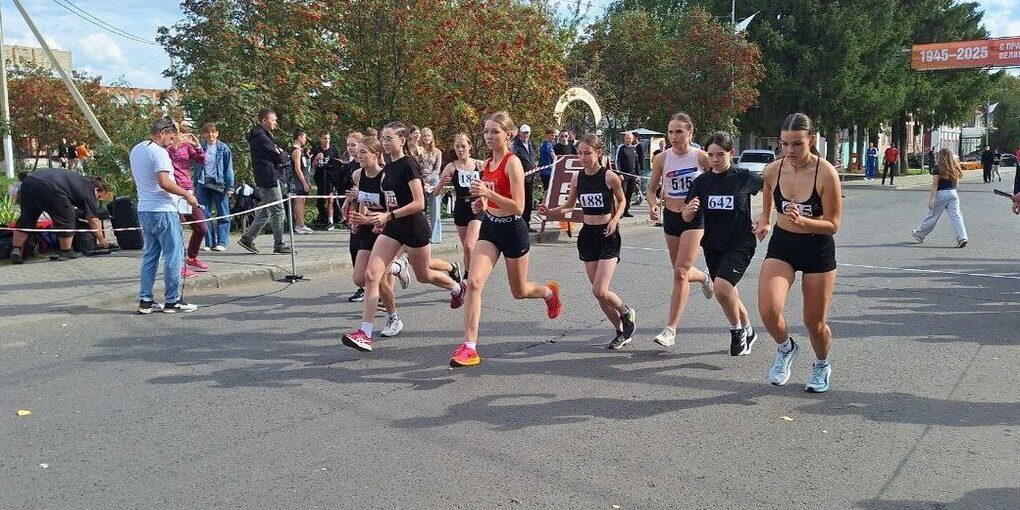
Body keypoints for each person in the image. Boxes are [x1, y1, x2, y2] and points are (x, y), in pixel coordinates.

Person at [448, 112, 562, 368]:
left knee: (519, 291)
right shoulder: (487, 164)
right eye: (486, 131)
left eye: (494, 132)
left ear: (508, 135)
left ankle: (548, 293)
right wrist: (482, 202)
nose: (488, 136)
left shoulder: (513, 163)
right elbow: (491, 200)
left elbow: (519, 207)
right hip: (490, 228)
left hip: (513, 230)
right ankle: (470, 347)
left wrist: (488, 193)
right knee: (474, 282)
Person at [341, 121, 462, 353]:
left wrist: (388, 215)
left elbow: (419, 203)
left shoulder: (408, 165)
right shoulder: (387, 167)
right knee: (371, 275)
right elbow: (388, 198)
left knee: (424, 274)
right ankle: (365, 333)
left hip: (415, 228)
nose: (385, 143)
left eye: (389, 139)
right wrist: (373, 219)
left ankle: (457, 288)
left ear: (402, 140)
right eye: (383, 139)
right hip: (393, 228)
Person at [754, 112, 842, 393]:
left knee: (814, 323)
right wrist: (765, 220)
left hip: (817, 248)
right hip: (783, 245)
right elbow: (768, 193)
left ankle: (821, 364)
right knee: (768, 309)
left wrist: (804, 222)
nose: (790, 151)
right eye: (785, 144)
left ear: (811, 140)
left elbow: (833, 225)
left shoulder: (825, 172)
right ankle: (786, 348)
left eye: (797, 144)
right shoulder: (773, 170)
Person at [540, 135, 633, 349]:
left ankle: (626, 312)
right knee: (599, 293)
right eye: (580, 153)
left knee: (600, 290)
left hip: (607, 234)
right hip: (587, 235)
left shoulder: (609, 177)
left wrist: (616, 219)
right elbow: (569, 206)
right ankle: (620, 331)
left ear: (598, 153)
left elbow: (622, 201)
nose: (583, 157)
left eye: (587, 153)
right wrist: (550, 212)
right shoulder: (577, 178)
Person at [683, 131, 762, 356]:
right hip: (713, 244)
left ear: (731, 153)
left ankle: (736, 331)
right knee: (727, 291)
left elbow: (774, 190)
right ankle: (749, 330)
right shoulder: (702, 182)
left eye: (720, 154)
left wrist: (766, 218)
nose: (715, 159)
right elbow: (688, 216)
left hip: (741, 243)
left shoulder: (744, 177)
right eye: (711, 155)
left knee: (722, 288)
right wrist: (687, 213)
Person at [645, 112, 714, 348]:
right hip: (671, 217)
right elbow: (651, 190)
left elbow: (717, 184)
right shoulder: (662, 159)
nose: (674, 136)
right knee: (680, 270)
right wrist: (654, 206)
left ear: (690, 133)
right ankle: (704, 276)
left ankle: (670, 329)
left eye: (679, 132)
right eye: (671, 131)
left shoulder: (702, 158)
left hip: (695, 219)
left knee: (680, 273)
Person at [130, 118, 200, 314]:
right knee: (174, 255)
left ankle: (145, 300)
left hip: (144, 209)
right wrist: (187, 194)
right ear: (161, 133)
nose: (172, 141)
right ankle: (172, 300)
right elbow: (164, 182)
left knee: (150, 255)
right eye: (170, 137)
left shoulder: (137, 149)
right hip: (163, 209)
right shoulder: (159, 152)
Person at [342, 135, 405, 338]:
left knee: (375, 277)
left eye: (363, 152)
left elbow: (391, 207)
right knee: (360, 277)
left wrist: (378, 221)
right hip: (367, 227)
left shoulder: (386, 176)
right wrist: (356, 218)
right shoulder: (358, 175)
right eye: (357, 151)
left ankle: (393, 318)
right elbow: (361, 198)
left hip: (385, 229)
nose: (358, 155)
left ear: (376, 154)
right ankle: (398, 267)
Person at [8, 170, 114, 263]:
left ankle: (16, 249)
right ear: (97, 189)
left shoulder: (78, 181)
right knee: (67, 216)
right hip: (51, 186)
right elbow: (93, 220)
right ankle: (66, 251)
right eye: (99, 197)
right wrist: (103, 241)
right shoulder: (89, 190)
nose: (97, 199)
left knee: (27, 218)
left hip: (29, 181)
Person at [239, 108, 292, 255]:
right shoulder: (261, 137)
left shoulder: (264, 135)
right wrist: (281, 155)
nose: (275, 122)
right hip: (268, 177)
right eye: (273, 120)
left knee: (267, 209)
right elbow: (276, 155)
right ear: (264, 120)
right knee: (278, 210)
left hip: (268, 175)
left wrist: (280, 154)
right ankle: (279, 244)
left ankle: (248, 239)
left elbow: (277, 153)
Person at [438, 133, 482, 280]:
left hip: (476, 207)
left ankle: (471, 277)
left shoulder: (479, 165)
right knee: (467, 249)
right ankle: (467, 275)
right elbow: (436, 192)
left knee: (470, 245)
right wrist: (442, 182)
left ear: (470, 146)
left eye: (463, 146)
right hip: (461, 208)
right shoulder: (451, 167)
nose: (460, 149)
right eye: (457, 147)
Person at [166, 124, 209, 278]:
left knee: (201, 227)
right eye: (173, 128)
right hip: (173, 191)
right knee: (176, 231)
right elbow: (163, 162)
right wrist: (174, 145)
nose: (177, 132)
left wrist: (197, 145)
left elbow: (202, 160)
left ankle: (191, 258)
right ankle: (179, 266)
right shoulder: (164, 147)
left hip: (188, 190)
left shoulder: (185, 145)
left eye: (178, 128)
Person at [911, 148, 968, 248]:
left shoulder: (937, 167)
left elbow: (935, 184)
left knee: (933, 216)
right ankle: (962, 237)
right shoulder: (954, 166)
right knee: (956, 216)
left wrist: (931, 199)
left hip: (941, 193)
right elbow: (956, 182)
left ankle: (920, 234)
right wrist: (953, 191)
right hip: (953, 193)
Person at [195, 123, 234, 251]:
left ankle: (222, 242)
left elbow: (228, 168)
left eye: (213, 132)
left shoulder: (223, 148)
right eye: (207, 132)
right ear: (204, 134)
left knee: (222, 211)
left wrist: (230, 187)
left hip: (219, 182)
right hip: (203, 182)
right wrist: (195, 184)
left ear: (217, 133)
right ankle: (209, 242)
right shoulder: (201, 148)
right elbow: (196, 167)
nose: (210, 135)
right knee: (204, 212)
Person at [312, 131, 342, 230]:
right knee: (321, 200)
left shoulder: (334, 150)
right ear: (320, 139)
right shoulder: (317, 150)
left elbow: (339, 163)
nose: (327, 140)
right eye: (325, 138)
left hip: (332, 178)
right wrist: (316, 158)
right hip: (321, 178)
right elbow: (313, 166)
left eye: (328, 138)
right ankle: (323, 218)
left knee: (331, 198)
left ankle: (331, 221)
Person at [419, 127, 444, 244]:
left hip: (433, 181)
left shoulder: (437, 152)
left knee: (435, 209)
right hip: (420, 181)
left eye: (428, 136)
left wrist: (429, 179)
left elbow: (437, 169)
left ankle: (435, 236)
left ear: (432, 137)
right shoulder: (419, 151)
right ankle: (422, 234)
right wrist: (422, 180)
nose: (427, 138)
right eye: (424, 136)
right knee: (421, 209)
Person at [287, 129, 314, 234]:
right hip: (298, 181)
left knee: (302, 201)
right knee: (299, 201)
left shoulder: (301, 151)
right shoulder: (296, 151)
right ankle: (299, 225)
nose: (305, 139)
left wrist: (308, 181)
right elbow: (298, 168)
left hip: (304, 178)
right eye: (304, 137)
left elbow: (305, 167)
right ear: (299, 137)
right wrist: (303, 182)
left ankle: (301, 223)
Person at [512, 124, 538, 231]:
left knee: (528, 202)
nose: (525, 135)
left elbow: (534, 158)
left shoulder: (532, 145)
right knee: (519, 202)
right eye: (523, 132)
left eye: (527, 132)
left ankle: (526, 224)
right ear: (519, 133)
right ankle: (519, 225)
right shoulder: (516, 145)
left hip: (530, 178)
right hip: (520, 178)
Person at [614, 131, 644, 218]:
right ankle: (620, 212)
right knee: (622, 193)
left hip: (632, 175)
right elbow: (617, 161)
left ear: (632, 139)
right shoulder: (621, 148)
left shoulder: (634, 149)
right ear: (624, 139)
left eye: (630, 138)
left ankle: (626, 210)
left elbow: (636, 162)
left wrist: (638, 174)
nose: (628, 140)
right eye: (627, 138)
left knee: (629, 194)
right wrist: (619, 173)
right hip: (623, 175)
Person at [539, 129, 556, 194]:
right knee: (548, 191)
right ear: (546, 135)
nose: (553, 137)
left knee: (547, 190)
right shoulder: (547, 145)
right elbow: (554, 157)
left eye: (554, 136)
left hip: (545, 172)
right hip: (547, 172)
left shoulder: (544, 144)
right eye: (551, 135)